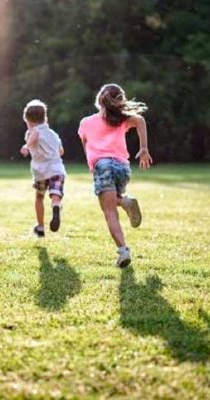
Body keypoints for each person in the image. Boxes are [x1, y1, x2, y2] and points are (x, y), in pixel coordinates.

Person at [78, 83, 152, 268]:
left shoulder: (86, 122)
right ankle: (125, 202)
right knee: (112, 201)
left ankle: (123, 251)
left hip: (102, 166)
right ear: (120, 101)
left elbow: (86, 145)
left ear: (99, 101)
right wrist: (143, 149)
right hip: (123, 167)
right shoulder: (122, 120)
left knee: (109, 210)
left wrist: (92, 166)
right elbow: (141, 121)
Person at [20, 99, 66, 237]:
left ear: (28, 120)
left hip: (41, 171)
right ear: (45, 118)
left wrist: (27, 146)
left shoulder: (32, 131)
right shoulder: (53, 134)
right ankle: (56, 206)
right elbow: (61, 151)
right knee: (55, 193)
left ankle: (40, 227)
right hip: (57, 168)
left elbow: (35, 134)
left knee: (39, 197)